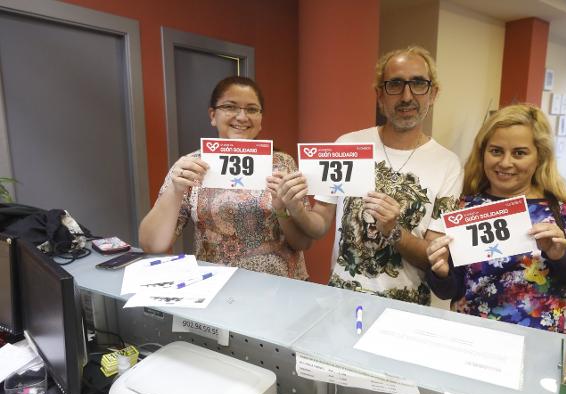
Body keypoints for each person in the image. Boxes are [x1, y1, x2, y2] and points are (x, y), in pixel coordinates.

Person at [276, 46, 462, 304]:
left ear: (433, 93)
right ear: (379, 94)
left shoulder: (447, 164)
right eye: (395, 84)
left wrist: (393, 230)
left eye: (418, 83)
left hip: (406, 309)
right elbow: (319, 225)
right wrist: (294, 207)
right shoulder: (347, 145)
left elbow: (433, 255)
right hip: (341, 300)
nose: (407, 96)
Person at [425, 103, 566, 332]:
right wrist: (440, 272)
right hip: (473, 342)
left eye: (519, 153)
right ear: (483, 153)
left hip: (542, 348)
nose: (506, 163)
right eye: (496, 151)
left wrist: (562, 256)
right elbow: (451, 290)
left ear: (540, 156)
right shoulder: (463, 209)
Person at [139, 76, 310, 280]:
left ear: (261, 118)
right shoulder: (190, 166)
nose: (242, 117)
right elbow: (152, 244)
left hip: (281, 289)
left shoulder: (282, 165)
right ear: (213, 115)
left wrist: (283, 210)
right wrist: (174, 191)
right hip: (214, 289)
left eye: (252, 109)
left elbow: (303, 243)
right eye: (230, 106)